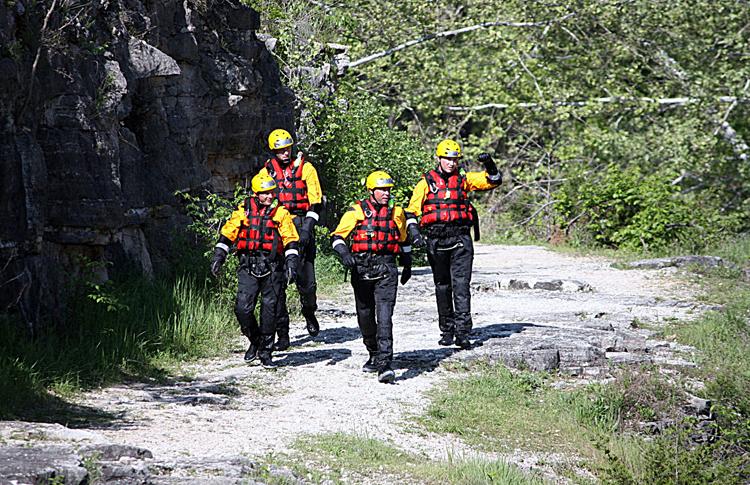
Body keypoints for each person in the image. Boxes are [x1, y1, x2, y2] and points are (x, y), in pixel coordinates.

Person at [405, 139, 502, 350]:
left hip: (460, 239)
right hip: (436, 240)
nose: (451, 163)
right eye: (447, 159)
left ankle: (463, 332)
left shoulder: (464, 180)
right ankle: (447, 330)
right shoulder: (426, 183)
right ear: (438, 158)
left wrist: (490, 164)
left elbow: (494, 180)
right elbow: (412, 212)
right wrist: (414, 233)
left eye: (454, 159)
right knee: (442, 286)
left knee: (461, 286)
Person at [210, 173, 300, 368]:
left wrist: (292, 263)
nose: (269, 197)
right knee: (242, 308)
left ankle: (266, 352)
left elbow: (290, 239)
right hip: (248, 266)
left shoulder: (281, 213)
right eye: (264, 193)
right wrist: (219, 256)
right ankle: (256, 340)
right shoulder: (243, 211)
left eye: (271, 193)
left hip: (273, 267)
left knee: (270, 310)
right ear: (256, 194)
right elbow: (227, 235)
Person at [330, 171, 412, 384]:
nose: (386, 193)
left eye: (388, 190)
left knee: (384, 317)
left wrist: (408, 265)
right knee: (365, 315)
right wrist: (345, 254)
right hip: (362, 268)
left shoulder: (397, 212)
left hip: (386, 268)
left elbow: (404, 241)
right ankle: (373, 351)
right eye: (381, 190)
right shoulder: (355, 212)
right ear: (371, 191)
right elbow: (337, 238)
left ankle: (385, 364)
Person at [257, 129, 323, 351]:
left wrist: (306, 230)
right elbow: (259, 202)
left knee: (307, 282)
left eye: (287, 148)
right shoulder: (266, 171)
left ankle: (309, 311)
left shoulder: (306, 168)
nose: (284, 153)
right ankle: (282, 334)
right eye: (279, 150)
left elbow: (316, 203)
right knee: (277, 284)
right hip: (277, 227)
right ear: (273, 151)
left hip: (301, 223)